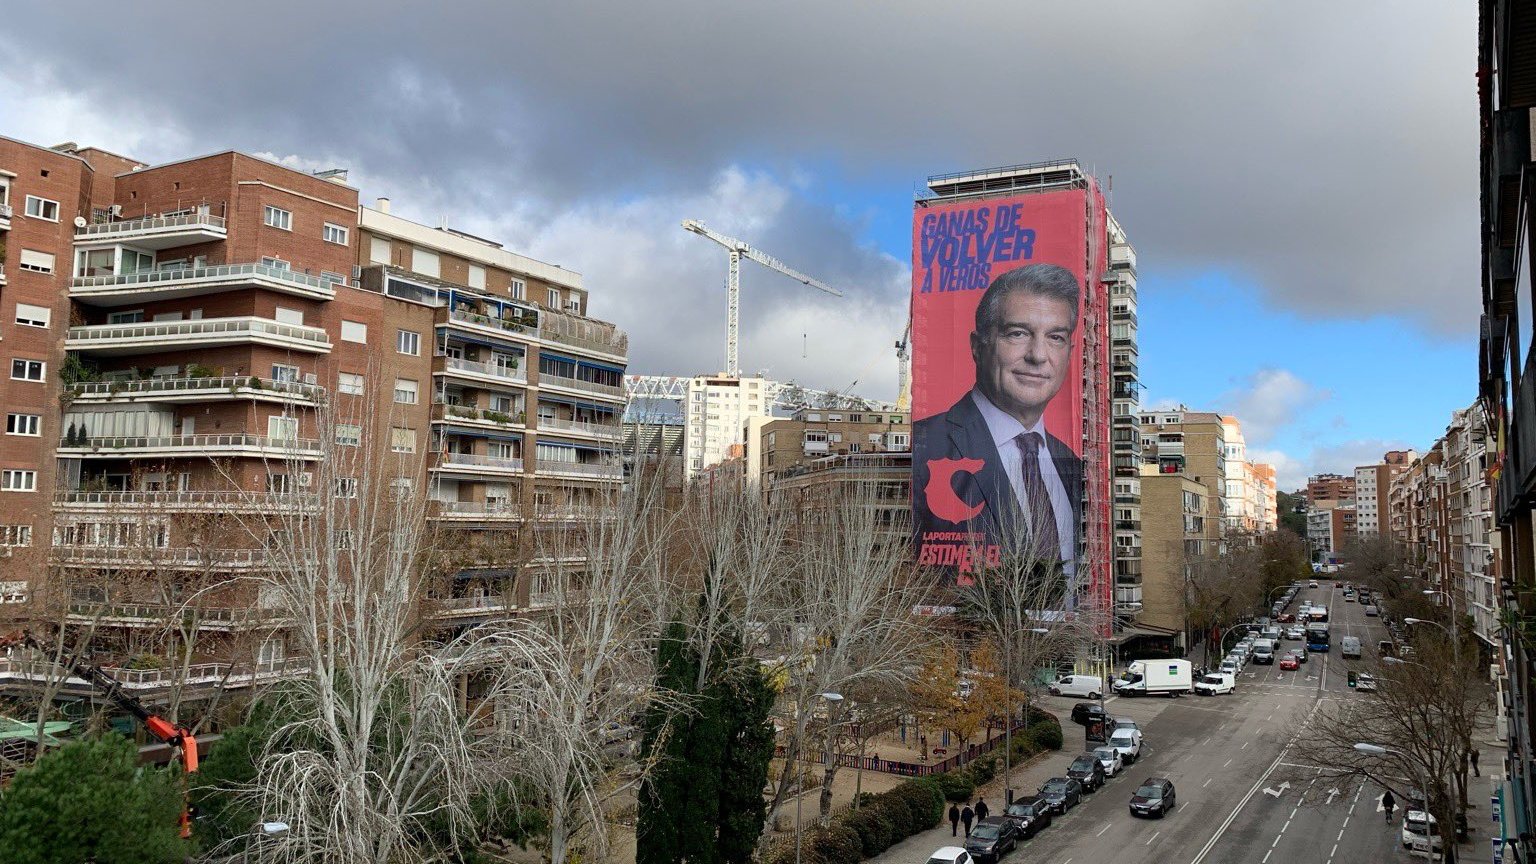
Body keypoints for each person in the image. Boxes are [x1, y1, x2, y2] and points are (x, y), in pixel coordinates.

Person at [913, 263, 1085, 580]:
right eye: (1017, 333)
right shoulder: (924, 445)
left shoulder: (1073, 465)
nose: (1038, 355)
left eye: (1055, 337)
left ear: (1070, 352)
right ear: (978, 347)